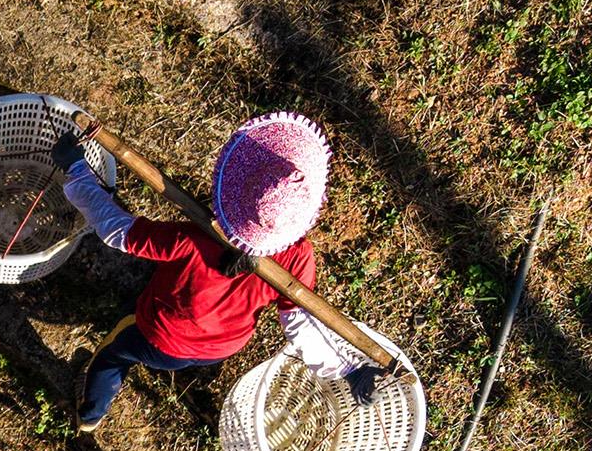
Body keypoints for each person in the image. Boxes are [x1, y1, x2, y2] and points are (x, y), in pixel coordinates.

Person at [51, 110, 380, 430]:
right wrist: (348, 371)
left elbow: (118, 231)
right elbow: (301, 322)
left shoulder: (193, 240)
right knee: (167, 350)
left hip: (162, 337)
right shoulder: (296, 256)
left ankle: (89, 416)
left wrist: (78, 171)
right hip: (223, 345)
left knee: (113, 353)